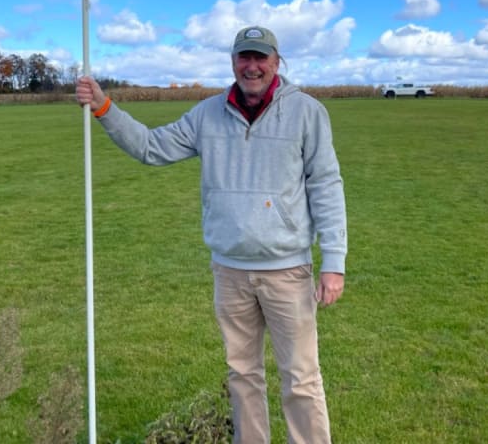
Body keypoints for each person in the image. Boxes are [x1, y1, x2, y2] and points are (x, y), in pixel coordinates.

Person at [76, 25, 347, 444]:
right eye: (244, 57)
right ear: (233, 62)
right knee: (242, 375)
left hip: (287, 270)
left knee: (301, 379)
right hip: (230, 271)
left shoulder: (308, 112)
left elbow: (326, 186)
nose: (251, 66)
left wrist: (333, 263)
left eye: (261, 58)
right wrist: (104, 107)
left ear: (277, 62)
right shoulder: (207, 114)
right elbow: (151, 146)